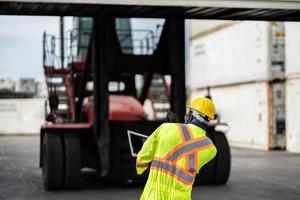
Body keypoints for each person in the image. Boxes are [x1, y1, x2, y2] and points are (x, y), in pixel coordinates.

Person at [136, 97, 217, 200]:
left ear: (191, 114)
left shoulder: (165, 128)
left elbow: (141, 160)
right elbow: (185, 149)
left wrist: (174, 126)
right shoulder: (210, 148)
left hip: (153, 195)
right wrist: (176, 125)